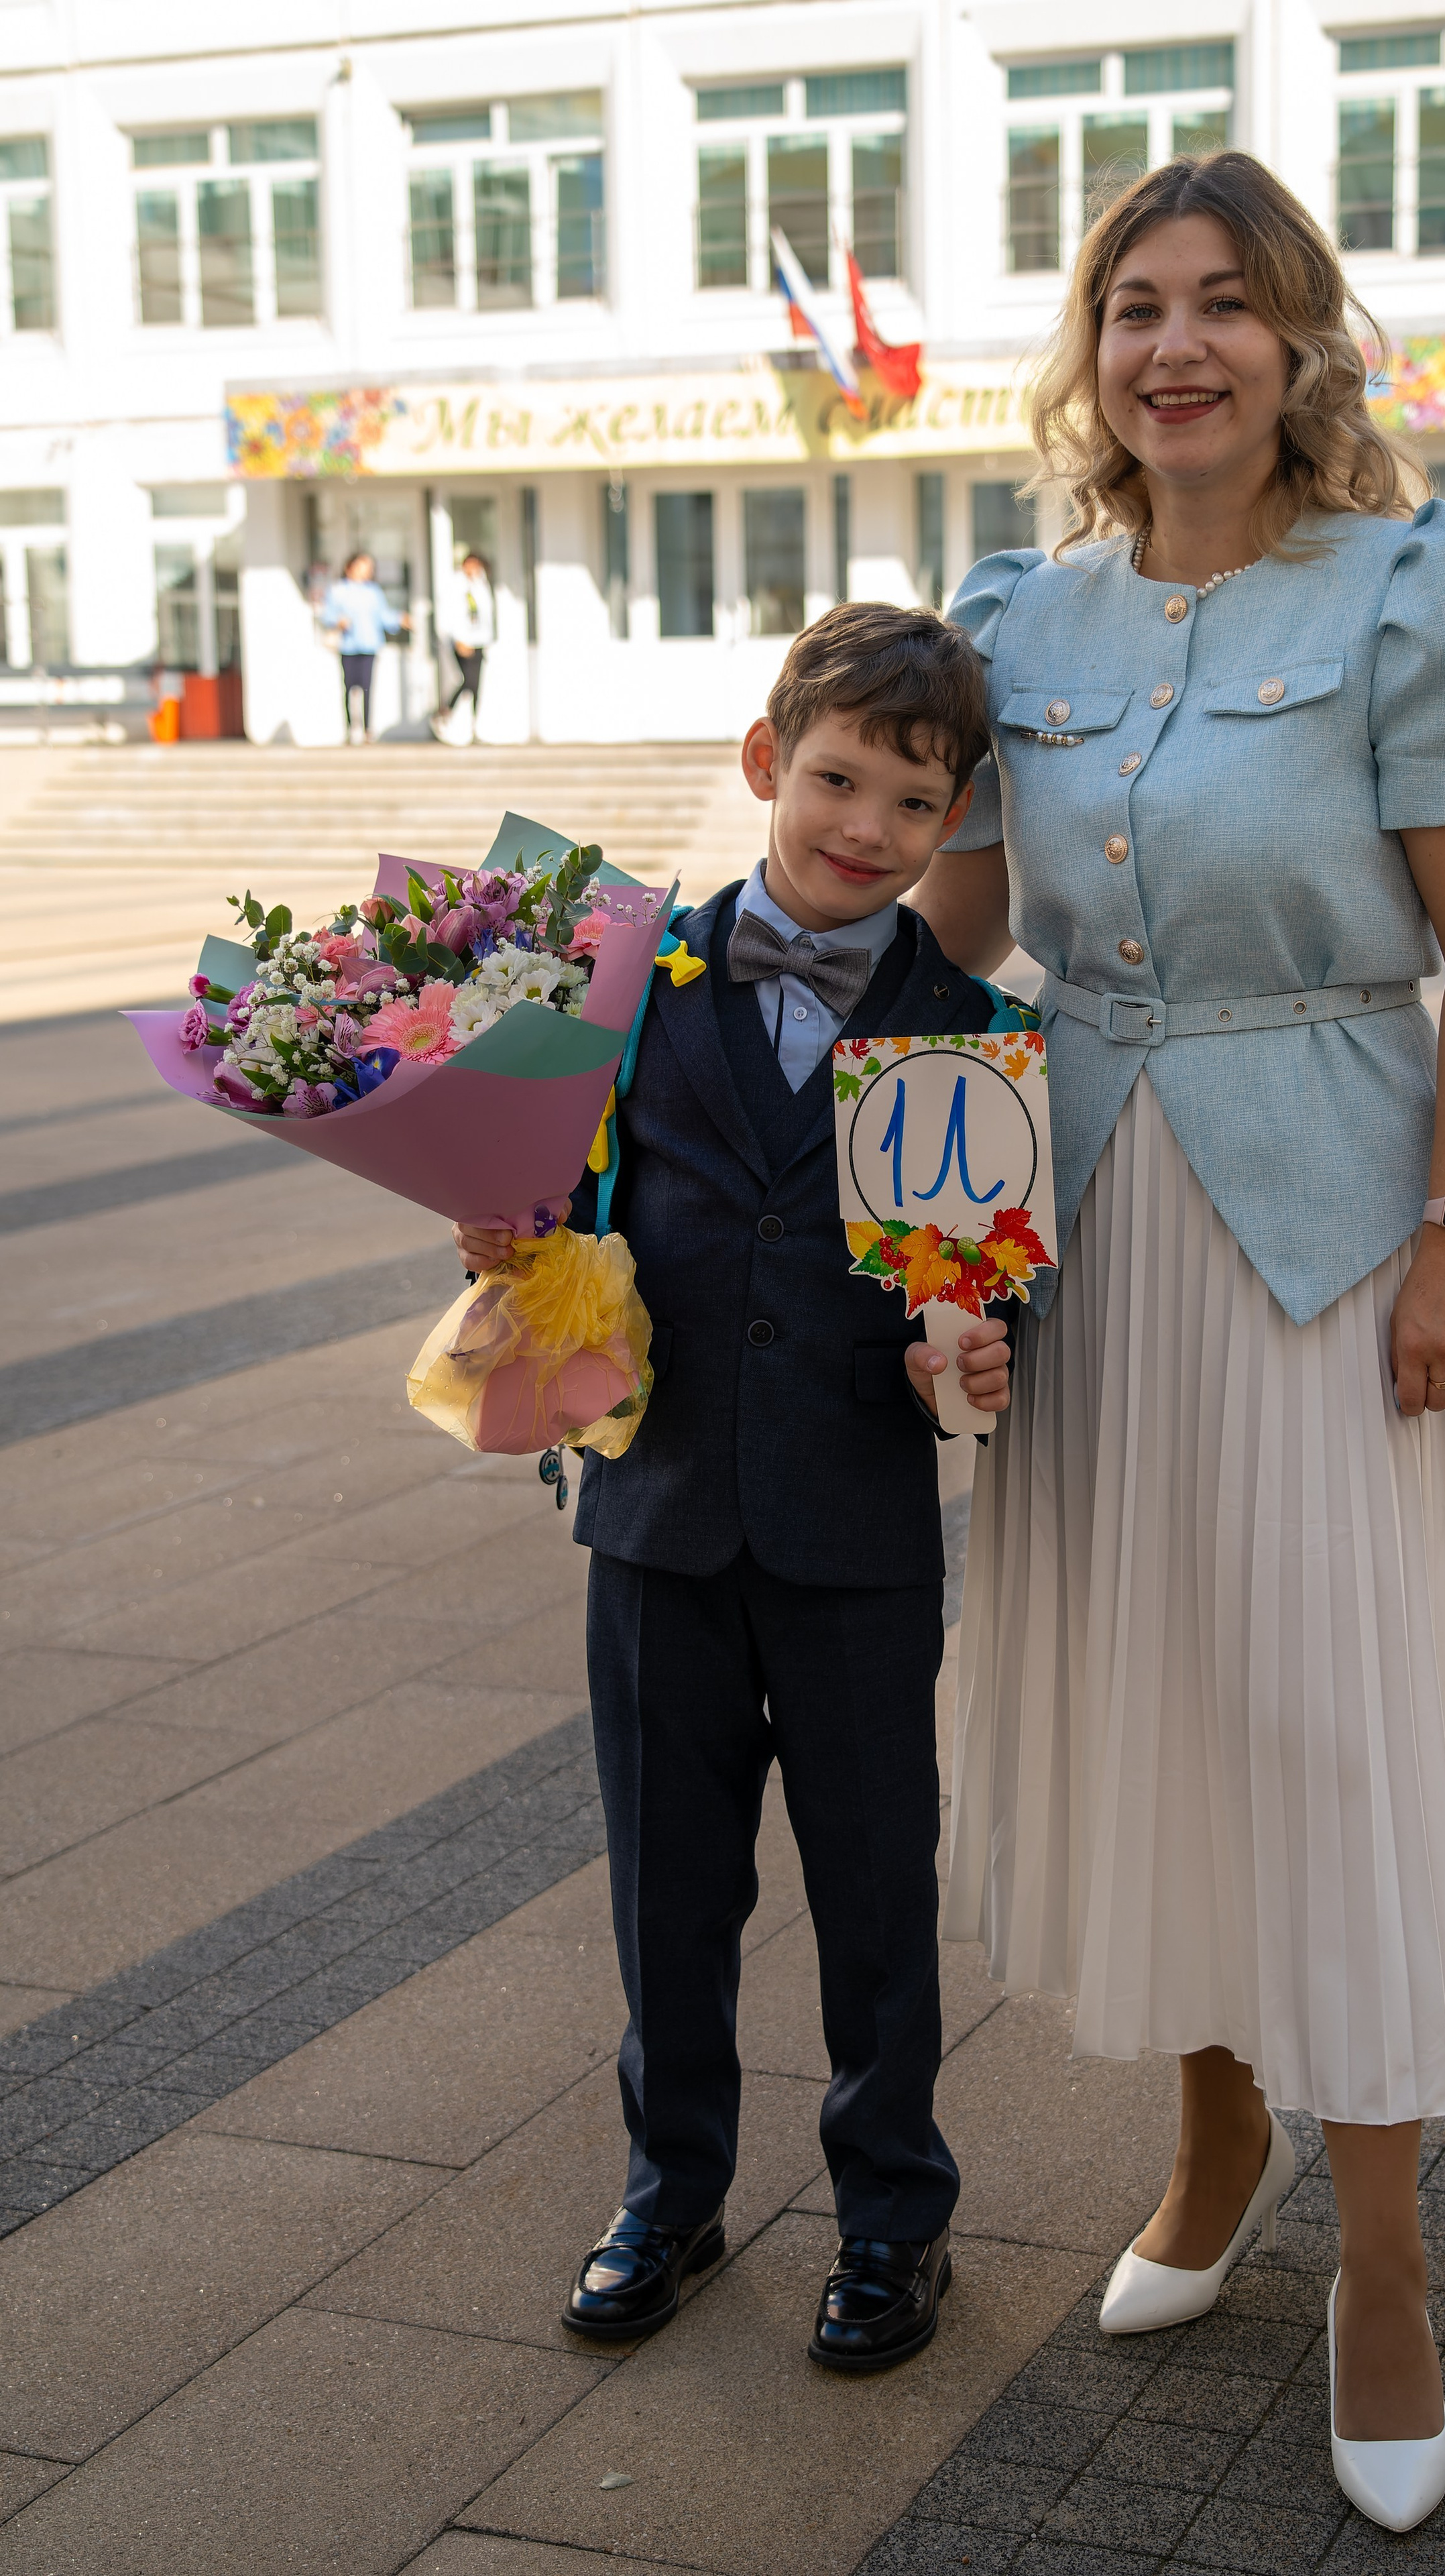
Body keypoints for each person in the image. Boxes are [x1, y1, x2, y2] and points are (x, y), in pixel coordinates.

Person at [912, 150, 1445, 2534]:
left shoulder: (1417, 585)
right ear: (1089, 355)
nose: (1170, 346)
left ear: (1295, 342)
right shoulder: (1016, 615)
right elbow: (957, 928)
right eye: (1130, 308)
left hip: (1318, 1237)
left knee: (1328, 1718)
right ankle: (1204, 2148)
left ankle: (1372, 2258)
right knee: (1149, 1700)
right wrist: (823, 809)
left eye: (1218, 306)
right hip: (1075, 1234)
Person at [451, 604, 1018, 2371]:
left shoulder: (966, 1026)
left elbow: (993, 1280)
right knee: (668, 1889)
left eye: (912, 804)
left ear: (954, 824)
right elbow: (549, 1201)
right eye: (839, 779)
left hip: (854, 1534)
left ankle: (891, 2218)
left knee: (873, 1894)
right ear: (770, 762)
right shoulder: (599, 979)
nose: (864, 826)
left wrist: (985, 1344)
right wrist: (500, 1226)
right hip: (657, 1512)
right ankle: (669, 2192)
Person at [318, 551, 408, 744]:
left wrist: (401, 619)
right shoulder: (338, 590)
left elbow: (384, 616)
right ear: (349, 568)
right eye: (361, 566)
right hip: (349, 646)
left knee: (367, 687)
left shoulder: (373, 592)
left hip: (369, 645)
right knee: (349, 687)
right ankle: (351, 728)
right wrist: (337, 621)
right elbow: (326, 615)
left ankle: (368, 729)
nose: (365, 571)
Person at [434, 549, 496, 745]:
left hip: (479, 640)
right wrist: (457, 638)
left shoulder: (481, 584)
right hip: (461, 640)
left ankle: (474, 726)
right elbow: (449, 613)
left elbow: (486, 614)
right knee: (467, 681)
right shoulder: (454, 584)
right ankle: (444, 712)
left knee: (476, 685)